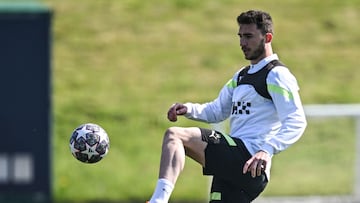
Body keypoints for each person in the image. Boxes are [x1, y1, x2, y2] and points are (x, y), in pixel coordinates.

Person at [147, 10, 307, 203]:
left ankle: (158, 200)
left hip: (248, 158)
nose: (242, 43)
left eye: (248, 36)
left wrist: (267, 149)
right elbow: (217, 111)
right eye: (240, 36)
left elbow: (296, 120)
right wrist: (188, 109)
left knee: (175, 135)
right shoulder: (241, 76)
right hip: (234, 166)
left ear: (268, 37)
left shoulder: (277, 74)